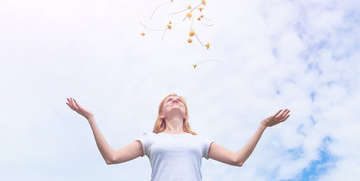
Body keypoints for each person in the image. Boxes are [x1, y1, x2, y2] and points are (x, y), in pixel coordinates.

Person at [66, 94, 290, 181]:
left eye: (180, 100)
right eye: (170, 99)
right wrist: (91, 119)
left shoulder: (199, 140)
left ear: (185, 114)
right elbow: (111, 157)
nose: (175, 99)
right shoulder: (151, 139)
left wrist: (262, 126)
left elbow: (237, 159)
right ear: (161, 113)